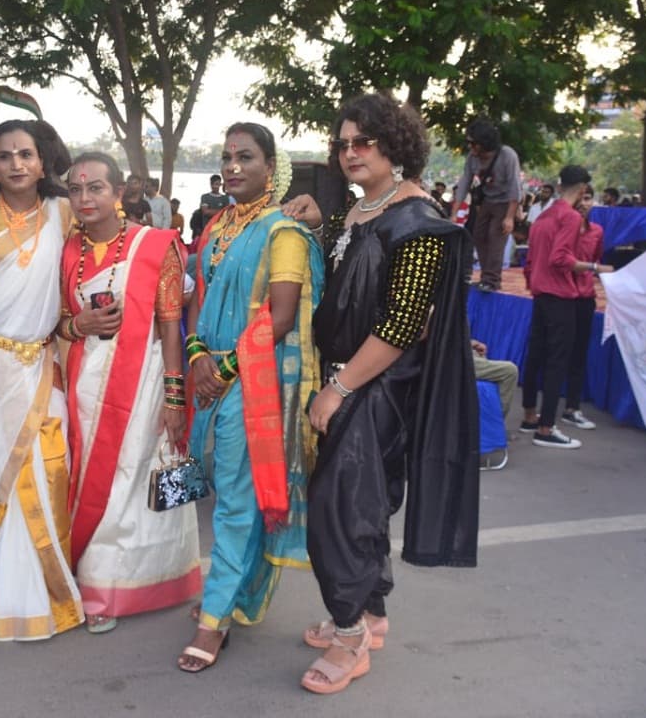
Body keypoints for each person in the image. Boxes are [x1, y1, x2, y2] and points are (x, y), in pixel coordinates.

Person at [282, 92, 479, 695]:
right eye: (342, 144)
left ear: (395, 146)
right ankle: (370, 615)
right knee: (361, 505)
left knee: (340, 511)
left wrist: (338, 388)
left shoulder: (418, 222)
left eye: (362, 142)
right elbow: (349, 282)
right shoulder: (364, 209)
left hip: (376, 386)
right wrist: (320, 227)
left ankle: (349, 639)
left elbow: (400, 325)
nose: (349, 153)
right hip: (350, 380)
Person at [177, 122, 323, 674]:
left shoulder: (283, 232)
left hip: (251, 384)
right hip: (210, 376)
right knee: (215, 488)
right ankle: (228, 592)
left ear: (271, 167)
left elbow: (281, 317)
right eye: (227, 156)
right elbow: (200, 297)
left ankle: (213, 622)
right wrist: (197, 356)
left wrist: (227, 368)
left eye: (246, 157)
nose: (233, 166)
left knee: (237, 500)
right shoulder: (217, 229)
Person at [59, 152, 201, 634]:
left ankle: (112, 588)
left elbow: (169, 323)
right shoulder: (65, 250)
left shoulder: (157, 245)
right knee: (90, 480)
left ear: (119, 193)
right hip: (83, 381)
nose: (85, 198)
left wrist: (176, 398)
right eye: (75, 190)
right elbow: (56, 322)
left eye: (95, 188)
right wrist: (78, 323)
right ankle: (85, 577)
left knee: (131, 481)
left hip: (143, 380)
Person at [0, 118, 84, 641]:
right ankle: (4, 580)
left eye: (25, 154)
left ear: (43, 161)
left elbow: (108, 247)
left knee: (51, 465)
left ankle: (50, 581)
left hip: (44, 361)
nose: (15, 165)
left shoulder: (63, 211)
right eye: (5, 156)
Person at [520, 165, 611, 448]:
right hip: (560, 296)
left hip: (541, 295)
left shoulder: (544, 215)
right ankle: (546, 428)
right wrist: (597, 267)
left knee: (536, 355)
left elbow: (532, 262)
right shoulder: (568, 217)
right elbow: (560, 259)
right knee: (557, 360)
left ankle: (530, 416)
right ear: (583, 188)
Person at [451, 117, 522, 292]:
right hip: (487, 201)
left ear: (483, 143)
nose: (470, 147)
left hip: (505, 202)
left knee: (495, 237)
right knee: (479, 236)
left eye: (472, 143)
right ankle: (485, 276)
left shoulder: (507, 156)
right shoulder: (472, 158)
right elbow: (464, 183)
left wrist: (510, 217)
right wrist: (454, 213)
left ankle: (492, 280)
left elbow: (515, 187)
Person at [563, 185, 606, 431]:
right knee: (557, 353)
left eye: (588, 198)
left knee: (579, 353)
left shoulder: (597, 231)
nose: (583, 202)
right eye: (581, 196)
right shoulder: (560, 229)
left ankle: (572, 407)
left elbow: (596, 261)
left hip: (585, 297)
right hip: (561, 296)